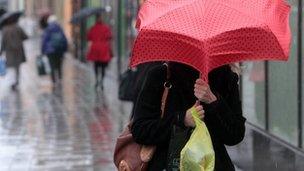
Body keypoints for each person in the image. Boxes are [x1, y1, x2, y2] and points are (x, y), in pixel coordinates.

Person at [131, 62, 246, 170]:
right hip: (168, 164)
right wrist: (182, 119)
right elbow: (140, 129)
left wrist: (213, 101)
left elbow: (235, 135)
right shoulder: (161, 75)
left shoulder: (226, 78)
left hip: (212, 165)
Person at [0, 16, 28, 90]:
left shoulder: (4, 29)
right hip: (18, 50)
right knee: (17, 67)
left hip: (9, 52)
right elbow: (26, 37)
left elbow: (3, 42)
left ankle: (12, 82)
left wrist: (1, 51)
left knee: (10, 67)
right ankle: (16, 81)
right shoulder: (18, 28)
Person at [86, 14, 112, 90]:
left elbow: (88, 37)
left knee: (96, 65)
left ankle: (97, 79)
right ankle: (102, 82)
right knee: (103, 66)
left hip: (95, 48)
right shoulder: (106, 28)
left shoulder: (92, 28)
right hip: (103, 49)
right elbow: (109, 36)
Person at [42, 15, 68, 86]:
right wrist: (65, 49)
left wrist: (43, 50)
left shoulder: (48, 29)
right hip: (59, 50)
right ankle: (59, 78)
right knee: (59, 65)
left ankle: (54, 81)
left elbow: (44, 40)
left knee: (52, 65)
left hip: (50, 51)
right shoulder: (60, 28)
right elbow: (64, 39)